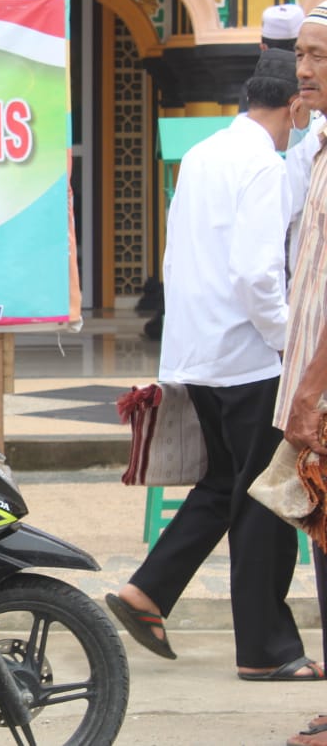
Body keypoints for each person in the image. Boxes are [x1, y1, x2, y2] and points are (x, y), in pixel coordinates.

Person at [105, 48, 326, 683]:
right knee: (266, 502)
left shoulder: (204, 154)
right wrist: (293, 343)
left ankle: (146, 593)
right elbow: (257, 273)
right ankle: (266, 649)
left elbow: (175, 259)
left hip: (199, 351)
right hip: (250, 356)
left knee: (225, 484)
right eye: (302, 110)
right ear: (290, 107)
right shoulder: (261, 164)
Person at [276, 1, 327, 746]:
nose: (306, 69)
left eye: (320, 55)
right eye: (303, 56)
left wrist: (313, 389)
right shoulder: (316, 148)